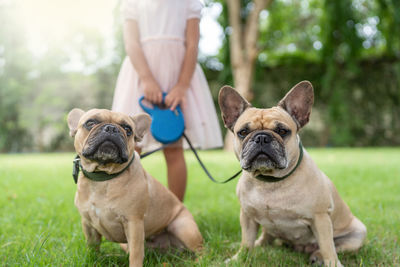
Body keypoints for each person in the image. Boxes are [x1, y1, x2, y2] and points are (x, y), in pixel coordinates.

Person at [112, 0, 223, 201]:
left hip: (178, 75)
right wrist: (146, 78)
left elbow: (192, 45)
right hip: (140, 75)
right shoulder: (132, 3)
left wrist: (181, 86)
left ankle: (175, 212)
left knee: (173, 149)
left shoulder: (189, 3)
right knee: (131, 148)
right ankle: (126, 206)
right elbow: (131, 43)